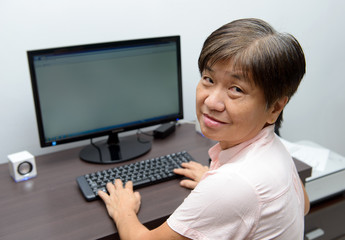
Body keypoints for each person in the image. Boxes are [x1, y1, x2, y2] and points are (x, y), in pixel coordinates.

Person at [98, 18, 310, 240]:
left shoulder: (233, 186)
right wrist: (213, 179)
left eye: (236, 89)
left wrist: (123, 211)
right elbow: (302, 205)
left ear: (275, 107)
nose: (211, 102)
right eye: (208, 79)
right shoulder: (274, 148)